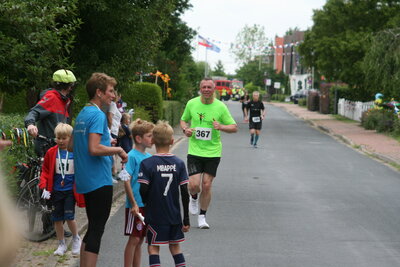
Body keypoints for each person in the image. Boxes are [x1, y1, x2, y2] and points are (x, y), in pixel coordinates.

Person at [72, 72, 128, 267]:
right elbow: (94, 148)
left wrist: (106, 142)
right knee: (97, 229)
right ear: (99, 92)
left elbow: (72, 144)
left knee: (92, 228)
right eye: (110, 91)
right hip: (99, 180)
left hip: (85, 180)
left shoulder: (83, 113)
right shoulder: (97, 115)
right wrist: (118, 149)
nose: (113, 96)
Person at [180, 78, 237, 229]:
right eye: (203, 87)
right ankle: (193, 197)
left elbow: (234, 127)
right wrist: (185, 130)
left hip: (213, 152)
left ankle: (202, 216)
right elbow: (183, 120)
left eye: (209, 87)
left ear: (214, 89)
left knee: (206, 185)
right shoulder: (192, 103)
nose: (206, 89)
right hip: (195, 150)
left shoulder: (220, 107)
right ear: (200, 88)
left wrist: (221, 127)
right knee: (193, 185)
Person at [138, 121, 190, 267]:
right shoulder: (179, 163)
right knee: (175, 247)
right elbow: (185, 192)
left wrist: (146, 203)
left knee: (153, 247)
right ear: (172, 141)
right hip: (174, 215)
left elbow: (143, 189)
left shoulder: (147, 163)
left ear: (153, 141)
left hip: (155, 214)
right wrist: (185, 218)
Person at [39, 123, 85, 256]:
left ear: (71, 138)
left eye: (64, 138)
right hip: (56, 191)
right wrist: (44, 186)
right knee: (57, 219)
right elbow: (46, 171)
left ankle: (76, 238)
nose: (60, 141)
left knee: (70, 217)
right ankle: (61, 244)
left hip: (70, 191)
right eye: (58, 138)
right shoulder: (51, 152)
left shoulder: (76, 152)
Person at [122, 119, 154, 267]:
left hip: (146, 204)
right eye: (149, 136)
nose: (152, 139)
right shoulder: (132, 156)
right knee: (134, 239)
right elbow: (126, 180)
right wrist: (133, 203)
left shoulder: (149, 157)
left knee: (140, 239)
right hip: (135, 206)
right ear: (138, 138)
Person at [25, 69, 76, 156]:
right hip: (47, 147)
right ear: (69, 86)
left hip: (57, 147)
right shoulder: (52, 97)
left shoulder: (64, 101)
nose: (71, 88)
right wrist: (30, 124)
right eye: (71, 85)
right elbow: (34, 112)